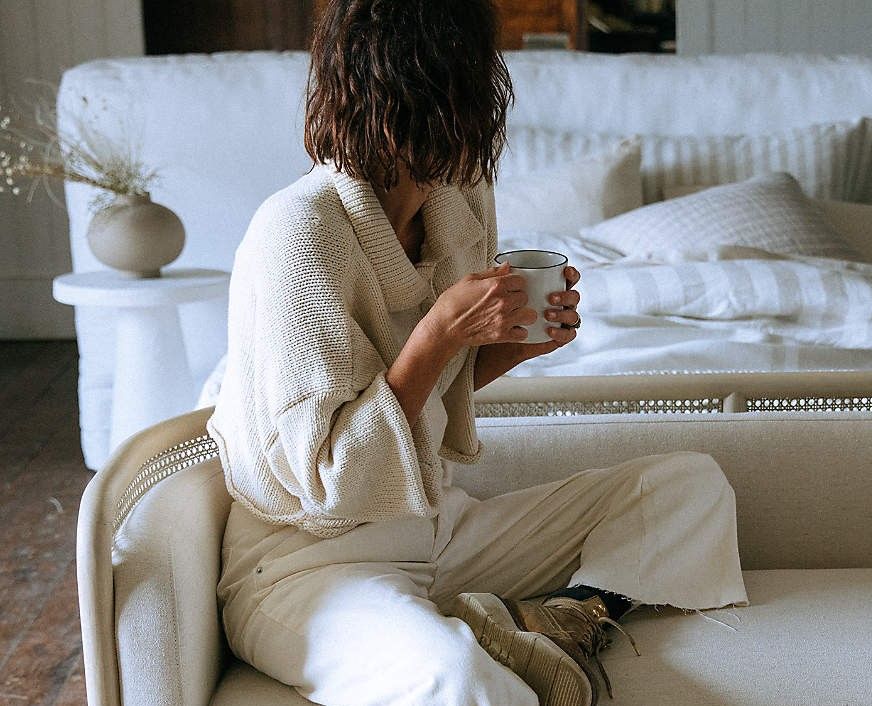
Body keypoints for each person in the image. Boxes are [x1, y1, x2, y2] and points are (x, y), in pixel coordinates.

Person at [207, 2, 747, 705]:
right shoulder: (299, 232)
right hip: (308, 561)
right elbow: (330, 479)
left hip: (433, 528)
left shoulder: (460, 199)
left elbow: (437, 397)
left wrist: (511, 349)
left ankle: (561, 620)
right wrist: (440, 332)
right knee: (457, 681)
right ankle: (471, 634)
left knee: (687, 486)